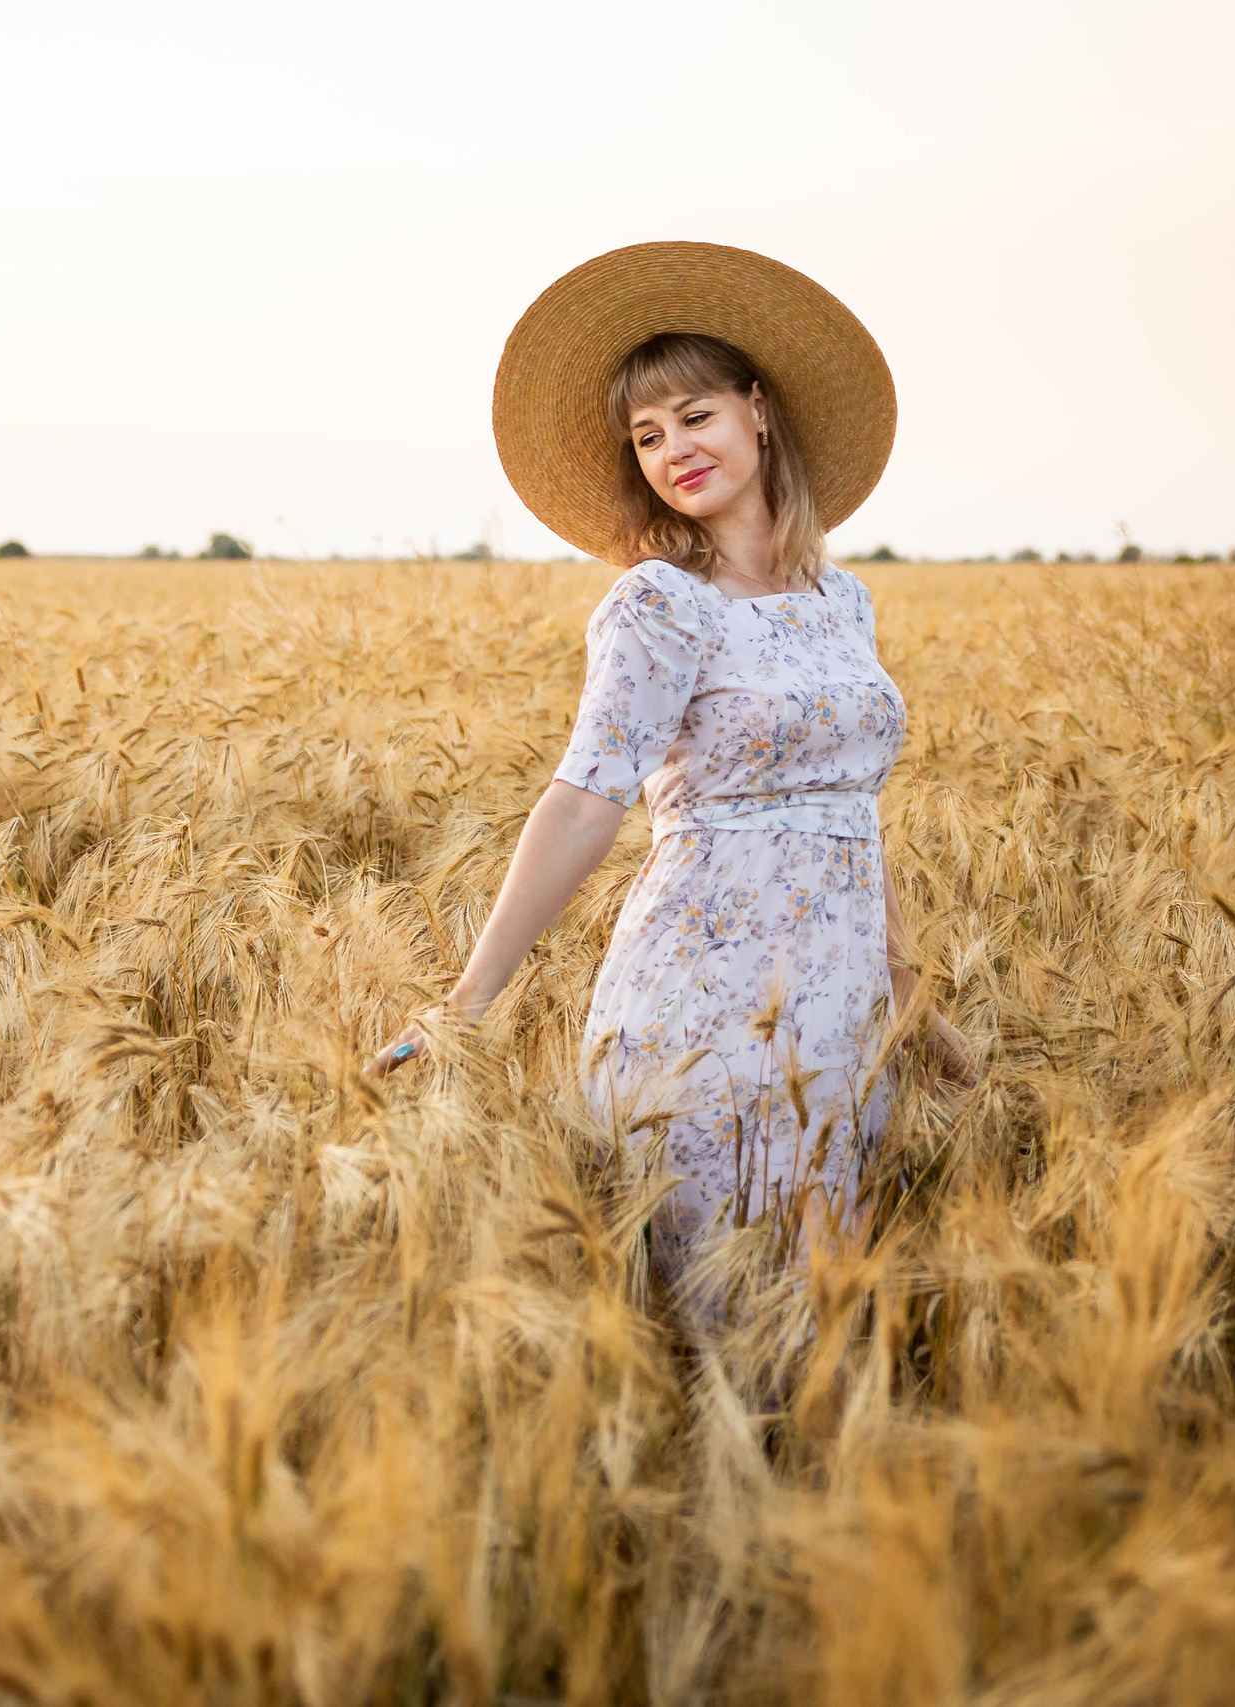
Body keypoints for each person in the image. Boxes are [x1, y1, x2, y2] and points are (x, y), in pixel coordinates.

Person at [367, 241, 978, 1343]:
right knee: (729, 1334)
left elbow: (850, 815)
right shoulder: (659, 602)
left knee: (832, 1330)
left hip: (841, 1016)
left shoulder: (843, 601)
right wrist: (463, 1005)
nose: (672, 450)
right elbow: (583, 798)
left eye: (694, 416)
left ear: (758, 412)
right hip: (706, 1009)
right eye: (646, 436)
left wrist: (908, 996)